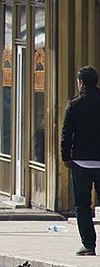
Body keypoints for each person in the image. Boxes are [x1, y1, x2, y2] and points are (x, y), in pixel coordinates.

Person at [61, 66, 100, 256]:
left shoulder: (74, 105)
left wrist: (66, 157)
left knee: (82, 205)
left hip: (81, 163)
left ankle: (89, 244)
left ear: (81, 83)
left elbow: (66, 134)